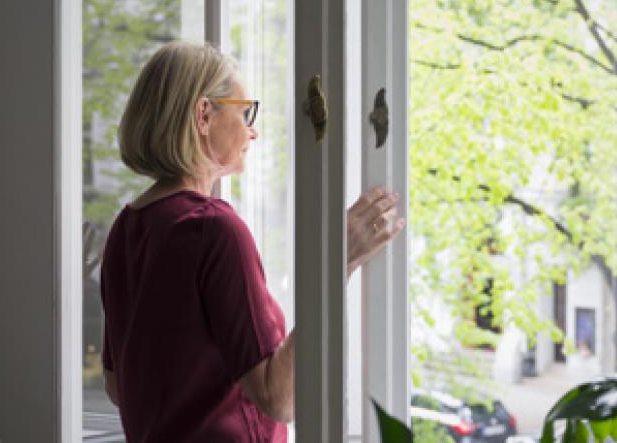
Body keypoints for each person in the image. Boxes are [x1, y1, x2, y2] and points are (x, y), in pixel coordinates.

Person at [100, 41, 404, 442]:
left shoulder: (128, 227)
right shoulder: (212, 228)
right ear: (203, 114)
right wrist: (338, 263)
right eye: (245, 112)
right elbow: (281, 399)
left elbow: (118, 388)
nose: (253, 130)